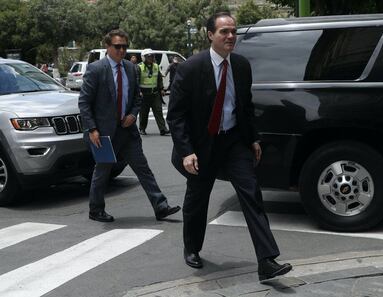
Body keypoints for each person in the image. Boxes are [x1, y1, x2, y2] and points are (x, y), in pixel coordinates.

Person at [167, 12, 292, 281]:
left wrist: (254, 139)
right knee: (197, 199)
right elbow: (175, 115)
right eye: (224, 31)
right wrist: (187, 150)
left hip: (234, 141)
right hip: (201, 145)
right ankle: (192, 247)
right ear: (210, 35)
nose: (231, 36)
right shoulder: (190, 68)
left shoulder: (242, 66)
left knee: (251, 194)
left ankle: (267, 261)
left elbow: (245, 107)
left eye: (233, 31)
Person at [79, 29, 180, 223]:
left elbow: (136, 98)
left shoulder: (131, 69)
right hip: (104, 134)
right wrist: (92, 129)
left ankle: (160, 206)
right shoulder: (96, 69)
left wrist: (133, 115)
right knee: (103, 171)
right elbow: (84, 102)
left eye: (124, 46)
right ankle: (96, 209)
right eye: (117, 46)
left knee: (143, 169)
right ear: (107, 47)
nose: (121, 50)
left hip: (127, 131)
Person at [138, 48, 170, 136]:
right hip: (144, 94)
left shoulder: (156, 66)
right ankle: (142, 129)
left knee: (158, 111)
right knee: (144, 113)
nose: (151, 58)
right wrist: (138, 91)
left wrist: (162, 89)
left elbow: (159, 79)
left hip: (155, 93)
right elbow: (136, 80)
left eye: (152, 56)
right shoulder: (139, 67)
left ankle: (163, 129)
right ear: (143, 57)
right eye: (149, 57)